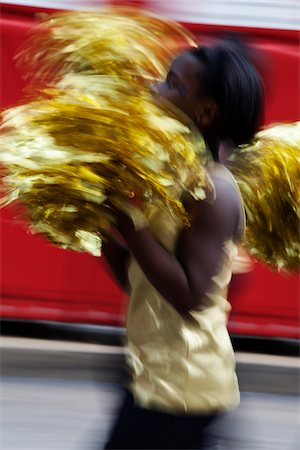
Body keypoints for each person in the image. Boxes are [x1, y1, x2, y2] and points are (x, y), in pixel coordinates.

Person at [101, 39, 264, 449]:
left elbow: (190, 295)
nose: (155, 89)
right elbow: (143, 279)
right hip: (154, 376)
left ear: (206, 112)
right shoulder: (177, 176)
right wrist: (101, 225)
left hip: (180, 391)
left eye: (172, 84)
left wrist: (127, 221)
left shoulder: (214, 190)